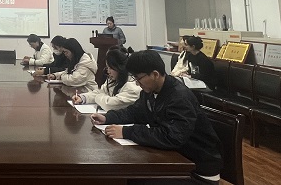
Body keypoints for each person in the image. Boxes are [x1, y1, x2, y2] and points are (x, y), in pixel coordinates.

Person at [90, 50, 222, 185]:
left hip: (197, 171)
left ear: (155, 74)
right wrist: (108, 118)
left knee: (132, 179)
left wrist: (126, 132)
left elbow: (172, 137)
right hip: (175, 159)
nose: (137, 84)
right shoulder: (150, 91)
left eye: (138, 78)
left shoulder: (179, 97)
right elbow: (134, 112)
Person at [72, 46, 140, 111]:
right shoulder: (114, 80)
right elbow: (101, 92)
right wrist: (83, 98)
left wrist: (98, 97)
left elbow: (109, 105)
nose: (108, 71)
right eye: (107, 68)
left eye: (111, 68)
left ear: (120, 67)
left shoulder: (133, 87)